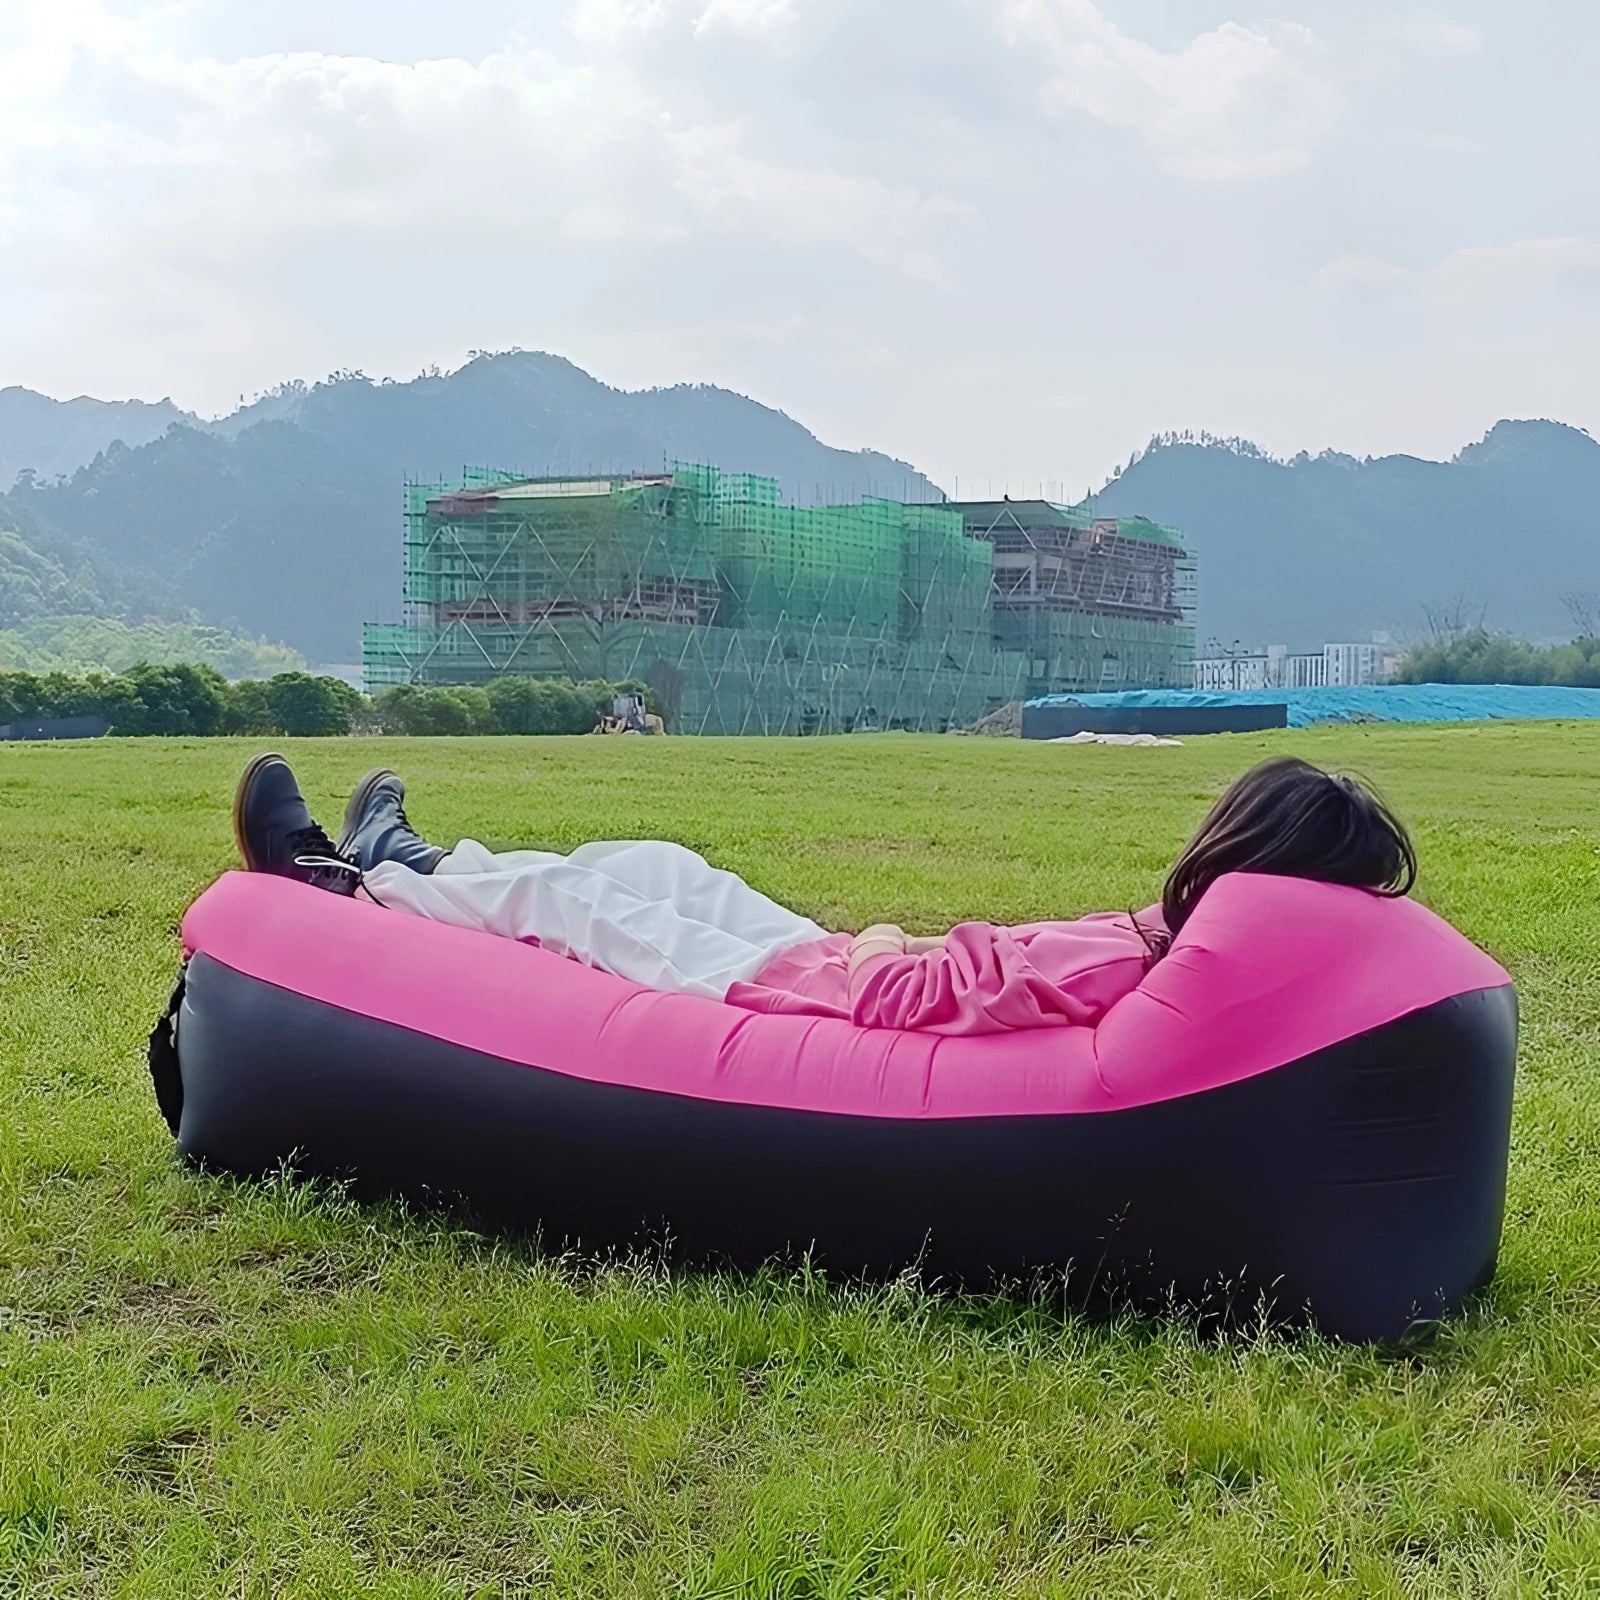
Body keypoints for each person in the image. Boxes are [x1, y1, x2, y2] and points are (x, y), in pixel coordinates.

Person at [230, 752, 1416, 1037]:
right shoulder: (1163, 943)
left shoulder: (1130, 967)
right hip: (826, 959)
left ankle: (348, 883)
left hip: (804, 991)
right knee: (649, 865)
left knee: (571, 904)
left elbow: (908, 997)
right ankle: (417, 864)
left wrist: (884, 941)